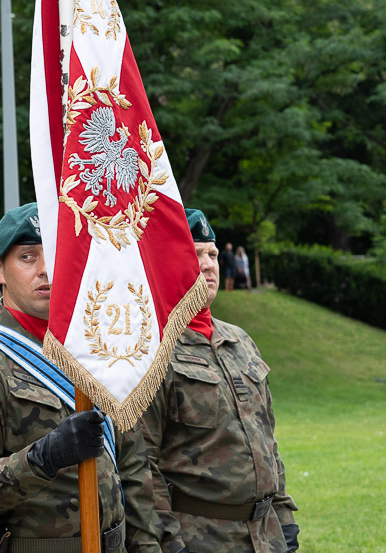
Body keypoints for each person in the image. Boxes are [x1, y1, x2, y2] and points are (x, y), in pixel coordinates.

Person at [0, 202, 160, 553]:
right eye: (27, 257)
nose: (45, 269)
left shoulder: (95, 348)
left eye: (53, 253)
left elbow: (130, 465)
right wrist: (43, 458)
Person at [138, 209, 298, 553]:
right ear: (168, 262)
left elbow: (266, 438)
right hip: (200, 537)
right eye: (195, 254)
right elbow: (140, 462)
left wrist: (284, 514)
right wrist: (167, 539)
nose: (208, 264)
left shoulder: (240, 340)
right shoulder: (152, 349)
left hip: (264, 534)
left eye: (211, 254)